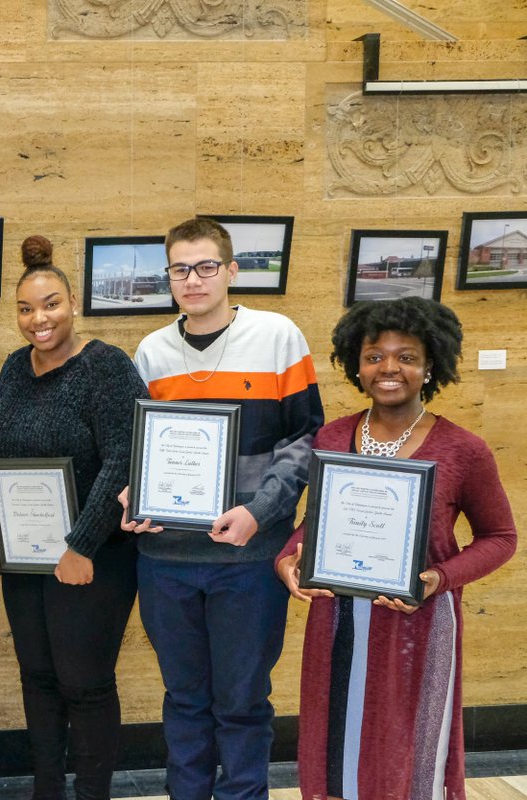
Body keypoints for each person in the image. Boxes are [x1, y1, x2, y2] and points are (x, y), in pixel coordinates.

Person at [276, 297, 516, 800]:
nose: (389, 368)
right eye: (374, 356)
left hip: (418, 621)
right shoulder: (335, 435)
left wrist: (437, 579)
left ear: (430, 366)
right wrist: (289, 556)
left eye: (406, 357)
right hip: (336, 618)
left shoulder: (463, 449)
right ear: (355, 365)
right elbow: (317, 521)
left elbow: (501, 538)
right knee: (336, 740)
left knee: (407, 751)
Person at [119, 217, 324, 800]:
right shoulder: (152, 351)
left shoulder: (278, 336)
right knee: (184, 700)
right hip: (166, 558)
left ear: (232, 271)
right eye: (180, 268)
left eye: (207, 266)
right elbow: (141, 448)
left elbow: (306, 440)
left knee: (241, 702)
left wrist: (259, 512)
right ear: (169, 277)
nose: (194, 279)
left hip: (249, 557)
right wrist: (134, 489)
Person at [0, 236, 149, 799]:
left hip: (94, 557)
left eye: (51, 304)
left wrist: (80, 545)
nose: (39, 319)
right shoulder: (13, 367)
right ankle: (47, 789)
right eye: (26, 309)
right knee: (38, 679)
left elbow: (124, 460)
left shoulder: (108, 367)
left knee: (85, 683)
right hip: (25, 555)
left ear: (73, 301)